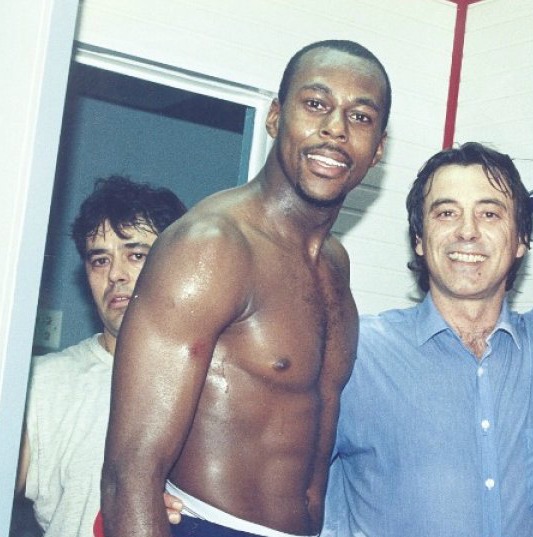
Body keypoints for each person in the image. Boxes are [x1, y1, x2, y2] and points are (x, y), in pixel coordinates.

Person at [100, 39, 390, 537]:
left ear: (378, 149)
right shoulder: (212, 246)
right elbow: (129, 473)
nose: (336, 129)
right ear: (276, 117)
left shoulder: (334, 263)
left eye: (360, 117)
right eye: (315, 104)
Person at [320, 142, 533, 537]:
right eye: (446, 213)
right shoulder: (356, 353)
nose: (467, 231)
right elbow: (279, 482)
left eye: (489, 213)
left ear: (521, 239)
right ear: (420, 239)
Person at [15, 175, 186, 537]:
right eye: (100, 260)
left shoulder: (211, 382)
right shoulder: (40, 383)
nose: (115, 275)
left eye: (136, 255)